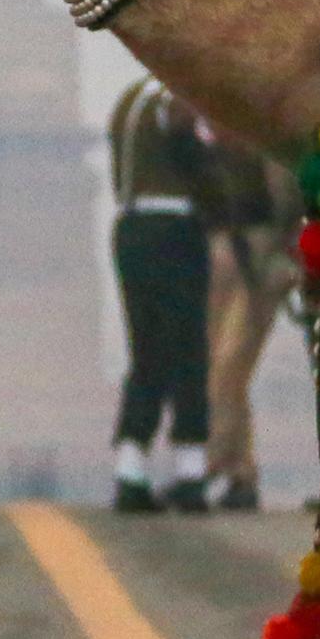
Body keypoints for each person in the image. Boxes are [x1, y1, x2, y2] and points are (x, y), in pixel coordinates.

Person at [103, 76, 217, 513]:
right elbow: (199, 159)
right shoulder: (178, 97)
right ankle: (191, 470)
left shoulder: (129, 99)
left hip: (131, 227)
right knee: (188, 346)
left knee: (147, 351)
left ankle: (130, 469)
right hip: (175, 228)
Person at [199, 149, 303, 512]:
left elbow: (285, 199)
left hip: (257, 249)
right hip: (221, 245)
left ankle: (220, 459)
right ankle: (236, 471)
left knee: (229, 365)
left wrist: (283, 252)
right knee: (219, 366)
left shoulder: (257, 139)